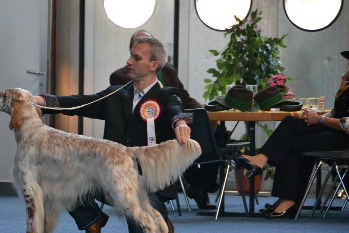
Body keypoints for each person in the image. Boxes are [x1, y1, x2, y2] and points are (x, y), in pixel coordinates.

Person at [33, 36, 193, 233]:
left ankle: (159, 214)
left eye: (136, 58)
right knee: (61, 176)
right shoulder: (116, 93)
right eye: (130, 57)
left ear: (153, 66)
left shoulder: (168, 95)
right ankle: (92, 219)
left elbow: (176, 110)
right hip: (105, 175)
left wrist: (180, 122)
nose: (129, 62)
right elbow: (79, 103)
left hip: (143, 181)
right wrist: (38, 100)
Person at [110, 29, 219, 210]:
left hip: (174, 122)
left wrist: (202, 113)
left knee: (210, 128)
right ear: (132, 48)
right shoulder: (120, 76)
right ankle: (186, 184)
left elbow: (181, 97)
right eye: (143, 41)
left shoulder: (167, 69)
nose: (148, 43)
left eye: (151, 40)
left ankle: (201, 185)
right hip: (145, 134)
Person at [237, 50, 349, 219]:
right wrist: (315, 118)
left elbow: (347, 124)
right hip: (335, 131)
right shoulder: (346, 84)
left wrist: (319, 120)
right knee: (292, 124)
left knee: (292, 143)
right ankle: (286, 199)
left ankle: (287, 198)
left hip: (344, 139)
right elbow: (335, 112)